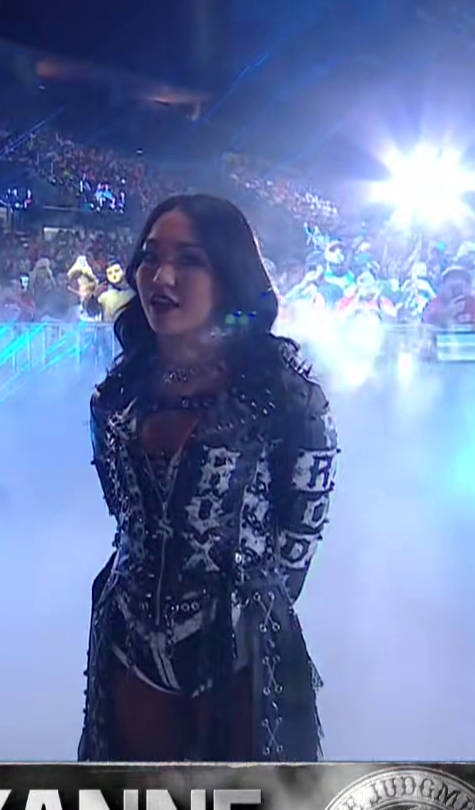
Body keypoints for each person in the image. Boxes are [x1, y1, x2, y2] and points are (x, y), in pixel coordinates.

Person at [79, 193, 338, 762]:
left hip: (245, 648)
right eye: (150, 257)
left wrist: (249, 607)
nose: (161, 277)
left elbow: (300, 535)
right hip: (127, 639)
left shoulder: (286, 398)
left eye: (189, 260)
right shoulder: (115, 398)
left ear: (228, 274)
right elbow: (121, 511)